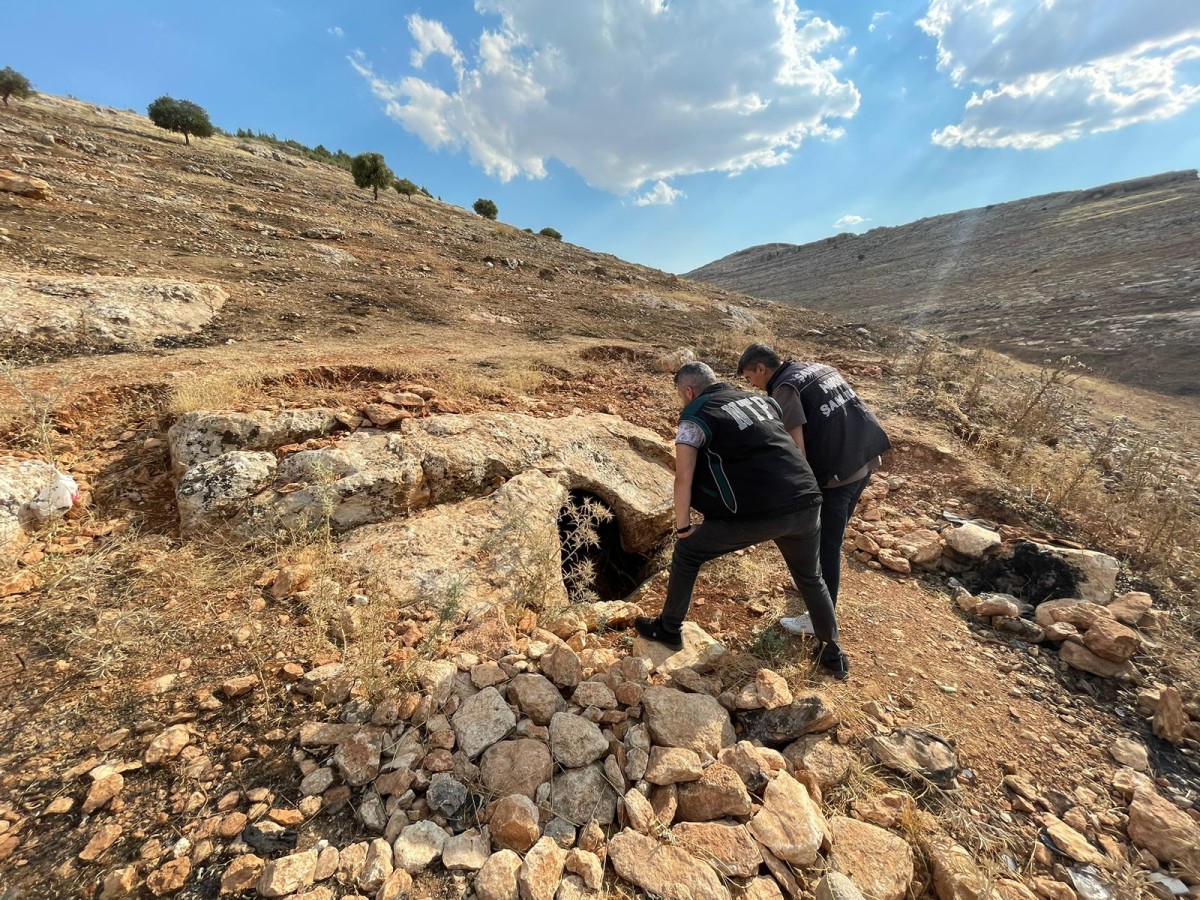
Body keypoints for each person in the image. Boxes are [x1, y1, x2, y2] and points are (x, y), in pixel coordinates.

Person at [633, 362, 850, 680]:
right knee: (811, 578)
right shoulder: (758, 399)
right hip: (807, 502)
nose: (683, 400)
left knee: (688, 552)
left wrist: (683, 528)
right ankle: (833, 656)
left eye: (682, 395)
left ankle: (668, 628)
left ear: (688, 391)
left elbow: (683, 477)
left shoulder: (695, 414)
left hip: (760, 512)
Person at [736, 343, 891, 636]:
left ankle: (820, 617)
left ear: (760, 368)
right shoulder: (814, 368)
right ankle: (812, 582)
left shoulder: (784, 388)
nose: (752, 385)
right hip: (866, 456)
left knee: (827, 543)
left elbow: (797, 450)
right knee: (832, 532)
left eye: (749, 378)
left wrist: (793, 491)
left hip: (839, 473)